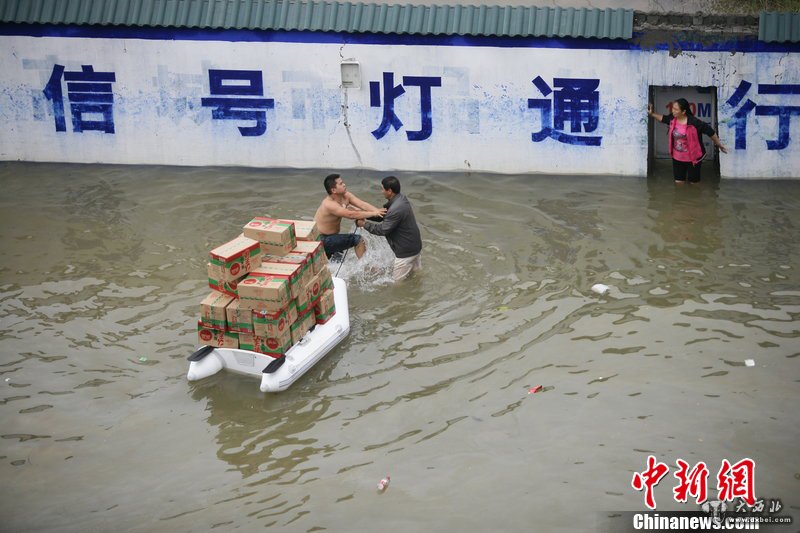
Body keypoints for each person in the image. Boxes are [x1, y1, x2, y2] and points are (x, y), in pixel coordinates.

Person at [356, 176, 422, 282]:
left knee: (398, 285)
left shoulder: (395, 208)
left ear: (390, 191)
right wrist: (363, 214)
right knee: (416, 277)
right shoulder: (401, 200)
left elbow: (382, 230)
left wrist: (364, 224)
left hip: (405, 254)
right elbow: (384, 216)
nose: (382, 191)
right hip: (415, 248)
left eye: (383, 189)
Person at [648, 98, 728, 184]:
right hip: (677, 158)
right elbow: (663, 118)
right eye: (673, 108)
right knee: (679, 183)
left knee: (694, 184)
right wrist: (651, 114)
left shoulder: (695, 123)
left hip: (693, 159)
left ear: (683, 112)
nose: (673, 111)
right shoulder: (672, 119)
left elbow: (711, 132)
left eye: (676, 109)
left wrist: (719, 144)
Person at [314, 173, 386, 259]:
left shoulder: (346, 195)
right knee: (357, 239)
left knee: (336, 264)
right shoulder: (329, 204)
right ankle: (365, 268)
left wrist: (377, 211)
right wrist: (373, 213)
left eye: (343, 182)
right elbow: (351, 214)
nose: (344, 184)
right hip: (322, 240)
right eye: (340, 184)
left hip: (333, 237)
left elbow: (362, 204)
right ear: (333, 190)